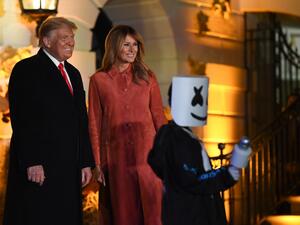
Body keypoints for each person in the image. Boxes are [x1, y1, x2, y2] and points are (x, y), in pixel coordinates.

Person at [3, 17, 94, 225]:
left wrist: (85, 162)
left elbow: (81, 119)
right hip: (40, 168)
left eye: (72, 37)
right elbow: (22, 119)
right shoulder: (26, 70)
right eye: (64, 38)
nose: (71, 42)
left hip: (69, 168)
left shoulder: (73, 73)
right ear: (46, 41)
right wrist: (32, 161)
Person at [88, 24, 167, 225]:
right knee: (123, 215)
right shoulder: (99, 80)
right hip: (116, 160)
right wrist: (97, 164)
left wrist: (168, 152)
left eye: (135, 45)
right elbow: (94, 123)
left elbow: (159, 116)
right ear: (114, 47)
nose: (133, 50)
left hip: (148, 158)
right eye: (126, 45)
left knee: (153, 214)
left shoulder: (148, 78)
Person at [148, 76, 248, 225]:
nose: (202, 106)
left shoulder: (179, 137)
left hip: (188, 213)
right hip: (192, 215)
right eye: (195, 100)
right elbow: (194, 179)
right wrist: (228, 173)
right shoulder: (179, 140)